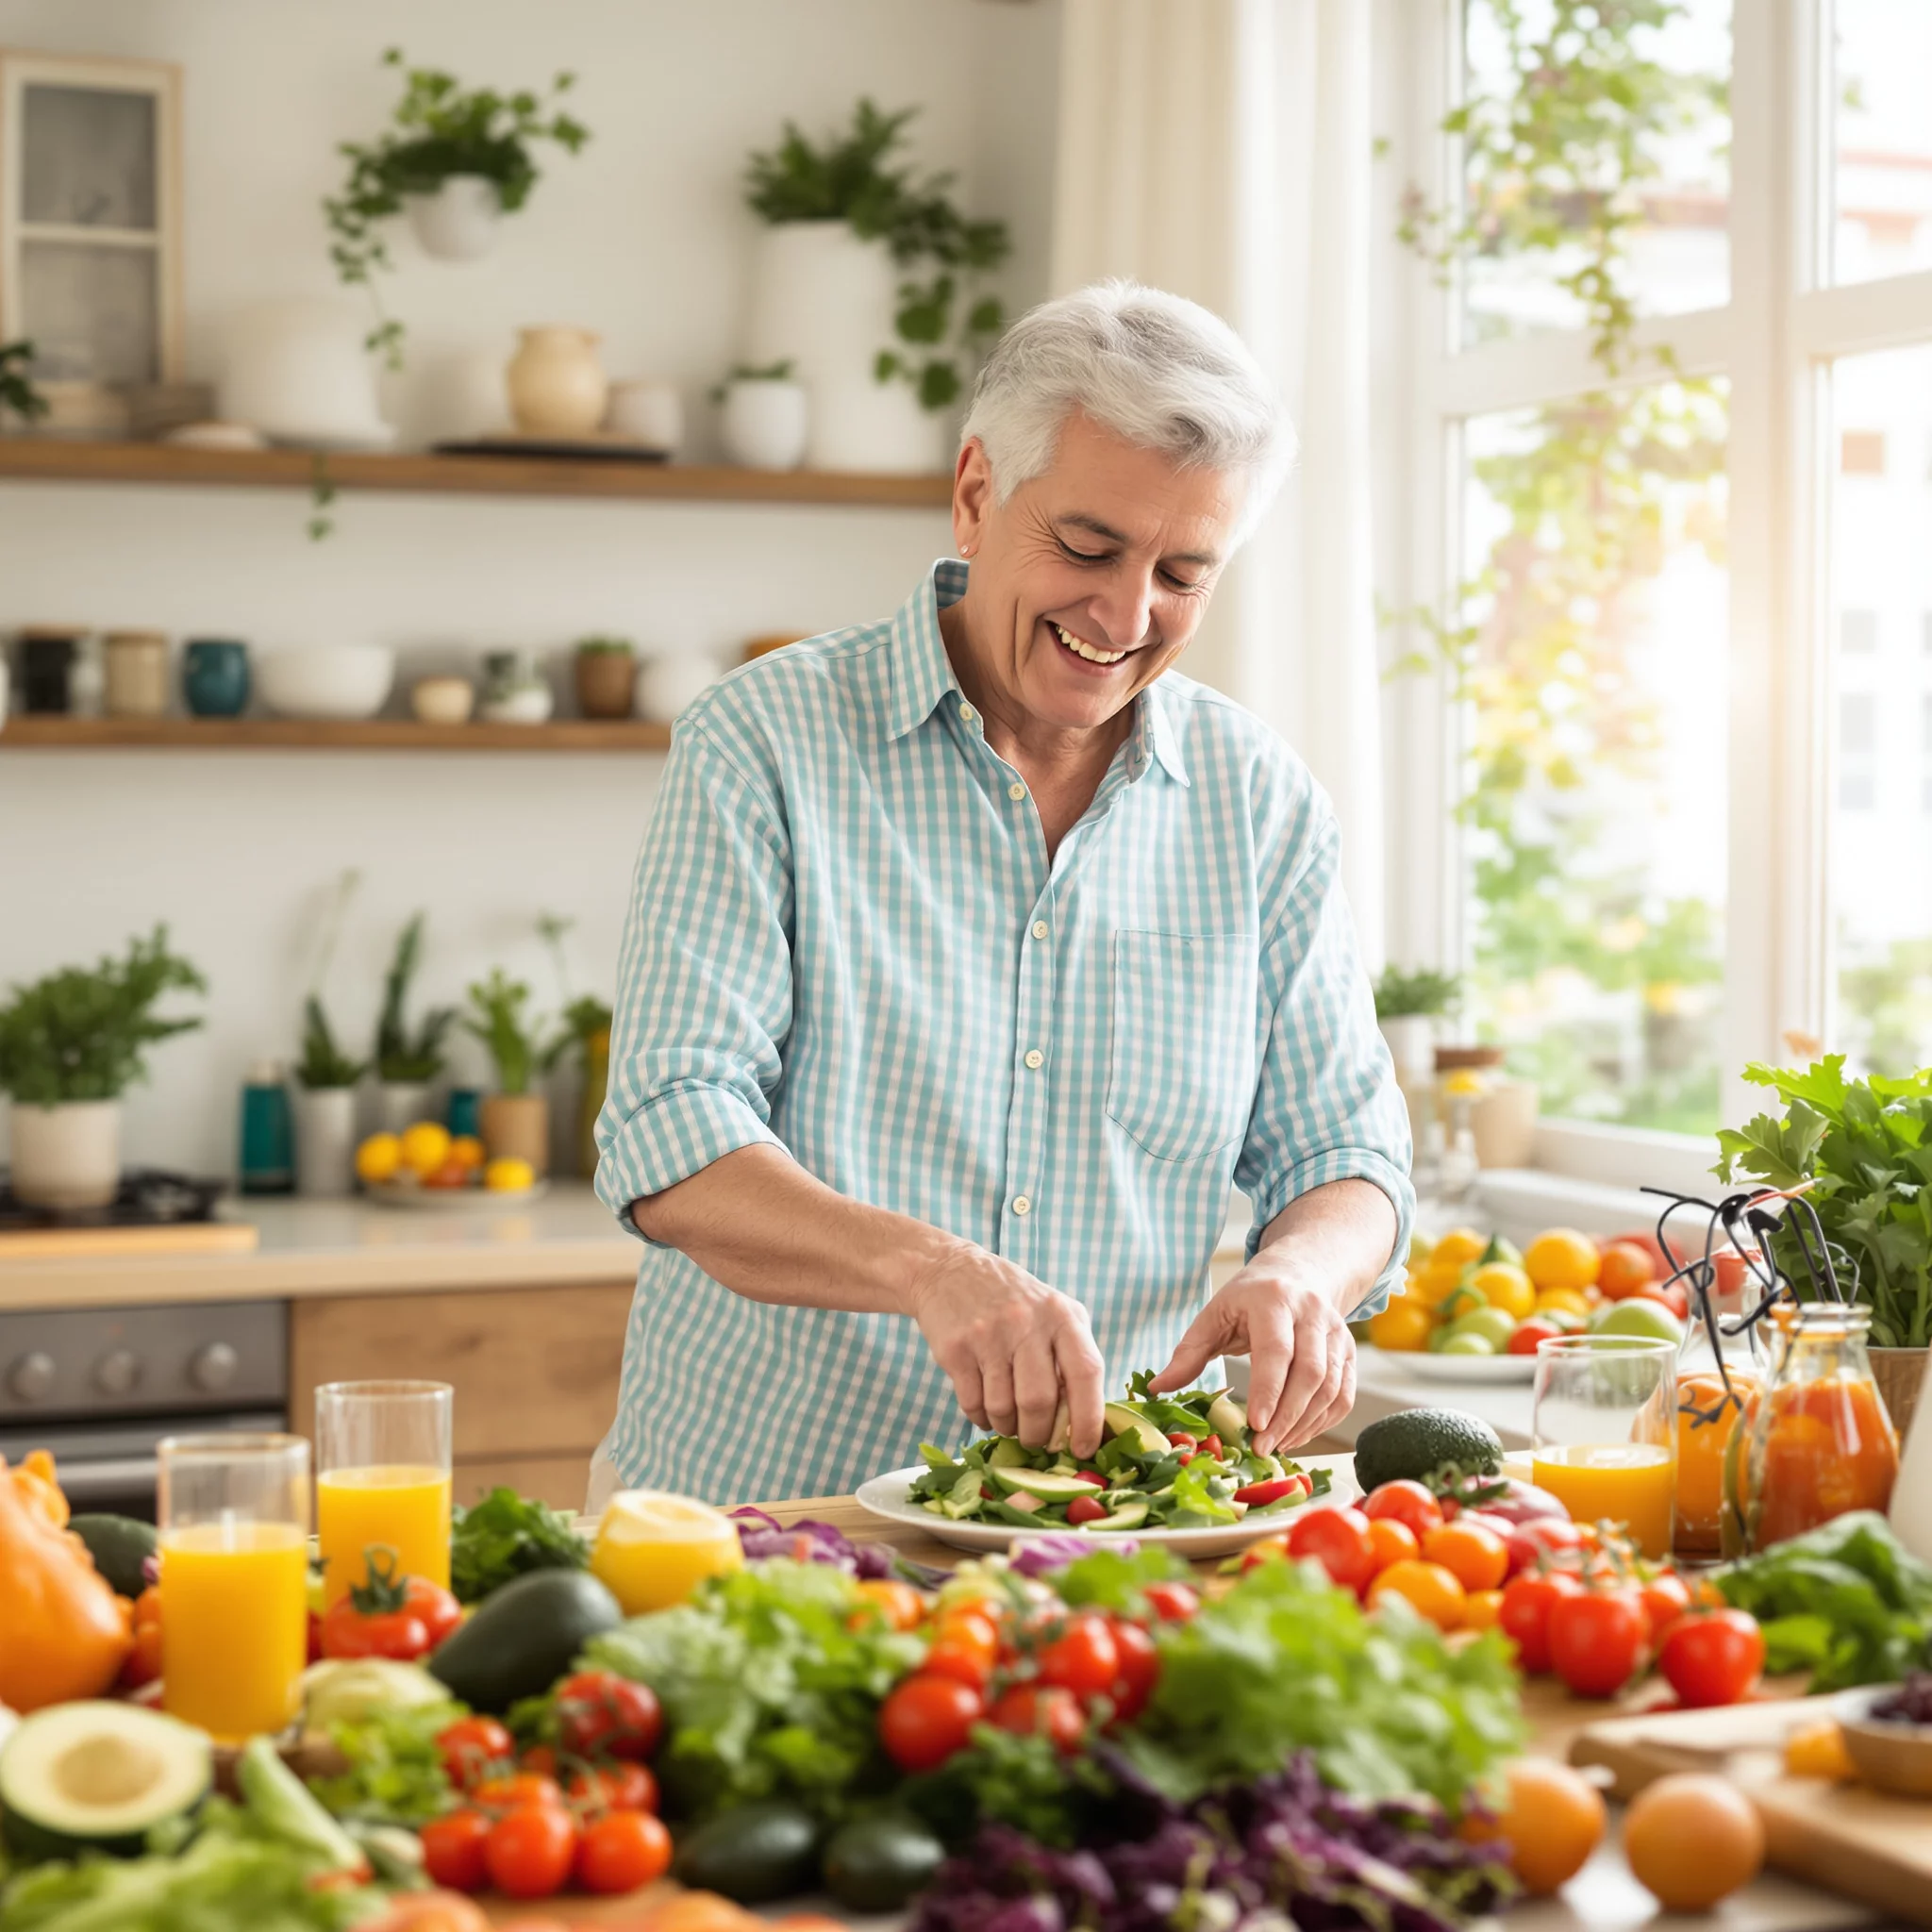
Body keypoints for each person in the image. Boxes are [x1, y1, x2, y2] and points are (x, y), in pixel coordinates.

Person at [589, 280, 1412, 1507]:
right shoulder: (763, 743)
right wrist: (931, 1269)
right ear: (976, 494)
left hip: (1095, 1534)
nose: (1125, 614)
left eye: (1183, 573)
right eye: (1087, 548)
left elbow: (1347, 1151)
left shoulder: (1259, 801)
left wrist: (1301, 1270)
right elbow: (673, 1132)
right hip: (762, 1518)